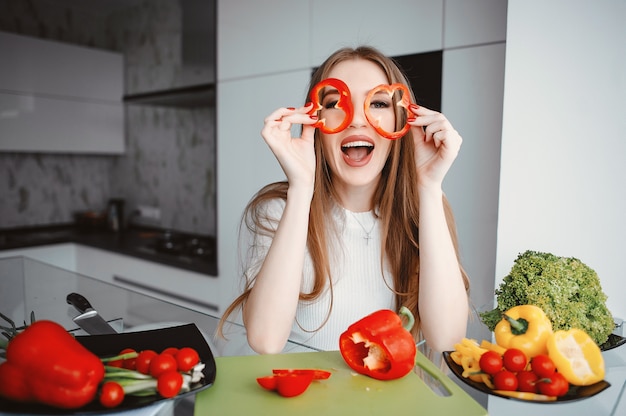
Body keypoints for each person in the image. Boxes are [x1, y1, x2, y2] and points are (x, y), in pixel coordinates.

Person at [218, 45, 469, 355]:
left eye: (377, 103)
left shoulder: (423, 211)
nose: (357, 121)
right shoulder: (278, 211)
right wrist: (301, 188)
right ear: (316, 123)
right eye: (336, 103)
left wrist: (429, 187)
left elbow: (446, 340)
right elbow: (265, 340)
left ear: (402, 121)